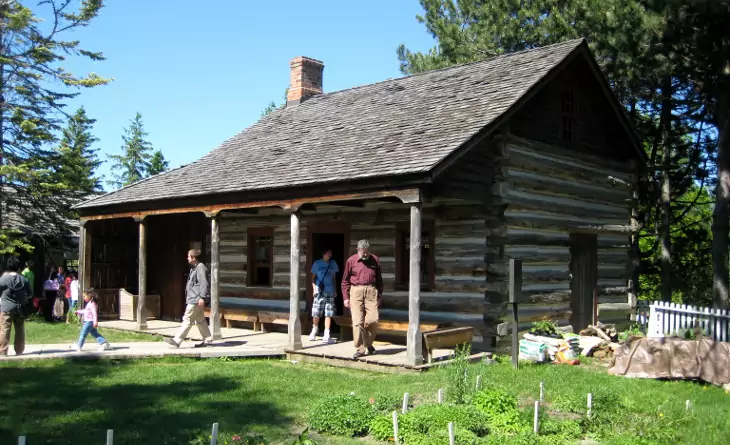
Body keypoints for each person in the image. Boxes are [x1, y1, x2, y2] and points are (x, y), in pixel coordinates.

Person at [341, 239, 383, 359]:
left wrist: (379, 295)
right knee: (357, 322)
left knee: (373, 320)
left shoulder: (375, 260)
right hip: (356, 291)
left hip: (371, 291)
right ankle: (360, 348)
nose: (365, 254)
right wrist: (346, 297)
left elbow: (380, 280)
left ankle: (368, 343)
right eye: (363, 252)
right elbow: (345, 281)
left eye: (367, 252)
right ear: (358, 250)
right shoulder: (351, 261)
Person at [163, 249, 213, 348]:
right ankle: (208, 340)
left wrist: (202, 297)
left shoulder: (200, 267)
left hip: (196, 299)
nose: (187, 258)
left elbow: (204, 283)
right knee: (200, 321)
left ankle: (177, 340)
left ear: (193, 258)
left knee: (187, 319)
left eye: (189, 256)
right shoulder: (194, 268)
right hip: (194, 298)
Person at [0, 256, 33, 356]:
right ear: (18, 267)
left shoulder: (3, 279)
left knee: (4, 330)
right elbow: (30, 294)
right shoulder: (24, 279)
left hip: (6, 308)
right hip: (20, 308)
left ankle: (3, 351)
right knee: (19, 330)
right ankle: (19, 351)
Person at [308, 248, 340, 344]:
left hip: (330, 290)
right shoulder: (317, 264)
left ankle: (327, 334)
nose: (329, 256)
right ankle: (315, 329)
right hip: (319, 291)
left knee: (328, 313)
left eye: (330, 254)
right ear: (323, 254)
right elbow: (313, 278)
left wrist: (335, 290)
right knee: (316, 312)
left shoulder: (333, 263)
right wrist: (314, 289)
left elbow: (334, 278)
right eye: (328, 254)